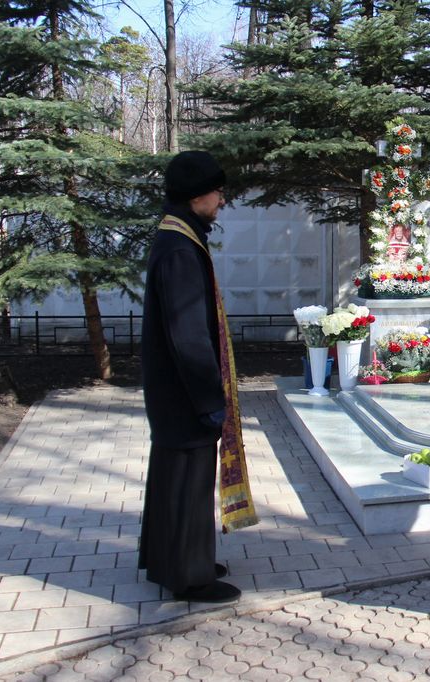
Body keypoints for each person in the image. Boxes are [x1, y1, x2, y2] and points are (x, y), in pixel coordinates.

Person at [139, 150, 257, 603]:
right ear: (196, 195)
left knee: (172, 478)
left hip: (173, 392)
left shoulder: (178, 238)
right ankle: (189, 577)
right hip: (185, 394)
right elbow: (188, 335)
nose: (222, 200)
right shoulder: (179, 249)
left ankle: (166, 561)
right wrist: (210, 399)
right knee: (187, 482)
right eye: (217, 191)